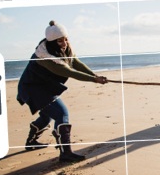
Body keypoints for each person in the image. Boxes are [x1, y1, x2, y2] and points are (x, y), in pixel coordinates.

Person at [17, 20, 108, 162]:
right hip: (32, 88)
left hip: (44, 86)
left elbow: (75, 63)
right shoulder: (45, 57)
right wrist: (94, 80)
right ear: (53, 42)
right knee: (61, 113)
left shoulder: (64, 48)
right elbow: (69, 71)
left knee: (47, 116)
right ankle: (65, 153)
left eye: (66, 39)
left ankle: (31, 142)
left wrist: (94, 75)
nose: (65, 44)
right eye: (60, 41)